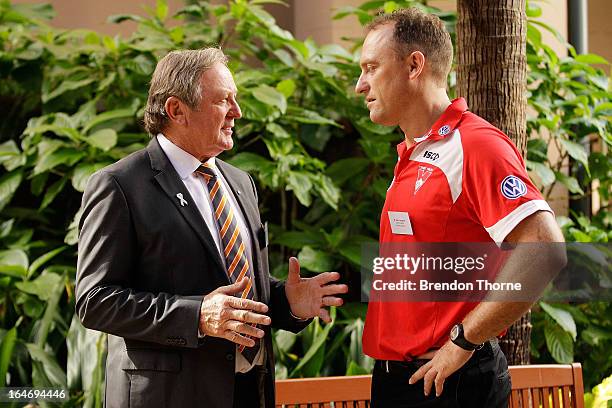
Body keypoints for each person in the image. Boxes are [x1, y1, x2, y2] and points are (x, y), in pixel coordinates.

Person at [75, 48, 348, 408]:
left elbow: (238, 295)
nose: (238, 112)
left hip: (251, 389)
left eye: (236, 100)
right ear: (176, 110)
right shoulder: (119, 185)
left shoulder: (240, 182)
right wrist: (197, 316)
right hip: (169, 397)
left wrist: (286, 303)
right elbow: (96, 301)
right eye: (224, 100)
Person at [355, 9, 566, 408]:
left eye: (371, 68)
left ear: (415, 65)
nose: (359, 85)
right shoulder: (415, 152)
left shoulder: (476, 144)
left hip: (449, 382)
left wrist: (464, 340)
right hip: (401, 380)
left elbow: (545, 248)